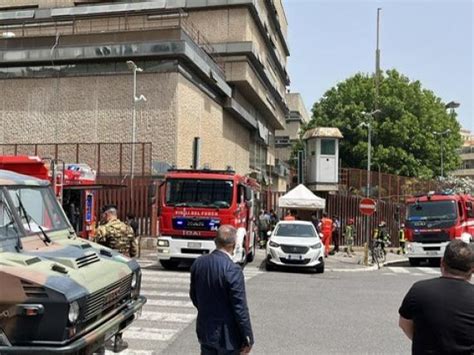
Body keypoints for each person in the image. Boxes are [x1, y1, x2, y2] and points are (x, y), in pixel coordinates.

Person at [398, 240, 474, 354]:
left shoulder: (419, 290)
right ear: (471, 269)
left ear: (442, 262)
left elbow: (404, 323)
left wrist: (422, 342)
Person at [190, 225, 254, 355]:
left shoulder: (199, 263)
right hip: (228, 337)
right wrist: (248, 337)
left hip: (205, 330)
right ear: (234, 244)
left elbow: (194, 296)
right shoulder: (233, 269)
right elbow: (240, 307)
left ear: (215, 241)